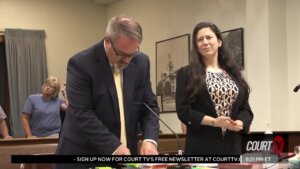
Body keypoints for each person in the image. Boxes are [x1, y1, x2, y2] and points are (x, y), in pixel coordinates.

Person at [56, 15, 159, 168]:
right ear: (107, 40)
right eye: (122, 54)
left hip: (125, 159)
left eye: (133, 54)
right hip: (84, 155)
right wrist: (114, 147)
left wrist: (150, 140)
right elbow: (82, 114)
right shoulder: (81, 64)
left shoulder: (142, 61)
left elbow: (149, 106)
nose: (127, 61)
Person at [175, 22, 253, 155]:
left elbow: (245, 109)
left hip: (233, 147)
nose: (205, 42)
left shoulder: (234, 74)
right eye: (200, 40)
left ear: (219, 42)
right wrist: (214, 122)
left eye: (209, 37)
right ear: (196, 46)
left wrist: (240, 122)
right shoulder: (186, 73)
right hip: (201, 147)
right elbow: (183, 111)